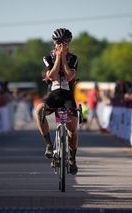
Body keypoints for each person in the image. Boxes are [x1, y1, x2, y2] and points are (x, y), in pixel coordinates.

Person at [35, 28, 79, 175]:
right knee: (39, 110)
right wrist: (58, 58)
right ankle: (48, 145)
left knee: (72, 129)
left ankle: (72, 158)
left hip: (67, 95)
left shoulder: (73, 58)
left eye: (63, 42)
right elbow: (52, 76)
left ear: (68, 43)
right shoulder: (48, 58)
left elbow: (68, 77)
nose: (60, 45)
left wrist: (64, 58)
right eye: (57, 42)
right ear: (54, 43)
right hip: (53, 95)